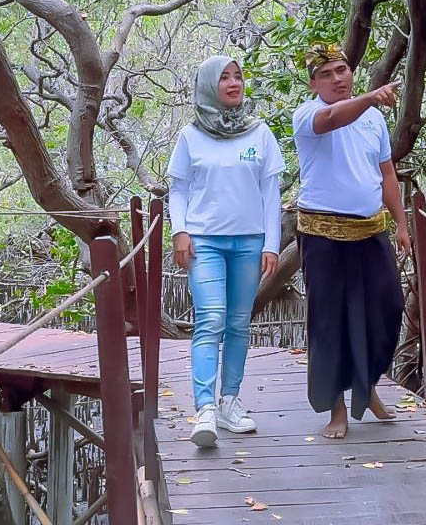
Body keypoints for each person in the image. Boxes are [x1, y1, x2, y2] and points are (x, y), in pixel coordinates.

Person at [292, 41, 409, 439]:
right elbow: (331, 120)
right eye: (326, 74)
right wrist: (370, 97)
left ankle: (367, 386)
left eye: (342, 70)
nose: (337, 79)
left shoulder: (373, 120)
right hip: (323, 234)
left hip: (370, 230)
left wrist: (403, 224)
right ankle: (336, 408)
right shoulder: (309, 114)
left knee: (387, 307)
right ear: (313, 83)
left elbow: (387, 174)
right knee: (330, 321)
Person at [168, 55, 285, 447]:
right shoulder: (191, 135)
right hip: (205, 241)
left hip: (249, 241)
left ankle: (230, 401)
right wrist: (179, 231)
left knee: (238, 322)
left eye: (238, 77)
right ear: (208, 86)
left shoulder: (259, 133)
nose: (234, 84)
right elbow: (179, 188)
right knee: (211, 318)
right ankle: (204, 409)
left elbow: (271, 192)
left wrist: (272, 244)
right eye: (225, 78)